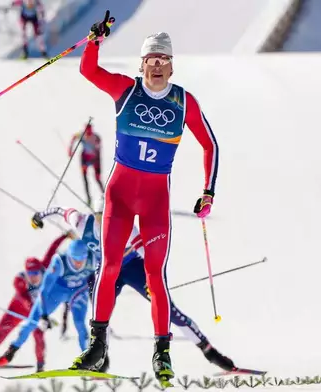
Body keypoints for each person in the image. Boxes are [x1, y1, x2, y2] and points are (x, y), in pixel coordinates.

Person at [73, 10, 219, 382]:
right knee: (109, 266)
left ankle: (162, 352)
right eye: (151, 60)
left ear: (172, 67)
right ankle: (97, 344)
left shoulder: (185, 102)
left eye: (163, 61)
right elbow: (88, 72)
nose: (156, 67)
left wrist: (208, 192)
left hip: (155, 202)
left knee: (156, 275)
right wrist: (95, 40)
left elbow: (210, 145)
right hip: (120, 197)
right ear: (142, 64)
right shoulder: (125, 89)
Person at [54, 201, 237, 373]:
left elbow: (148, 255)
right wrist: (40, 216)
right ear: (94, 215)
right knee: (100, 313)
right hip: (108, 270)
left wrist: (154, 281)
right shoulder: (81, 224)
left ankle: (209, 351)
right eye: (101, 215)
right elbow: (61, 211)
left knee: (168, 310)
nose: (106, 220)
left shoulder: (125, 226)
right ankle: (101, 357)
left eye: (110, 215)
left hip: (133, 268)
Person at [0, 233, 69, 377]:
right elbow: (26, 300)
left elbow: (52, 249)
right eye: (30, 273)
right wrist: (42, 315)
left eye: (35, 272)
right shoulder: (19, 280)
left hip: (32, 312)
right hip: (16, 312)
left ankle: (41, 367)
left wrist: (65, 236)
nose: (33, 276)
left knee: (39, 336)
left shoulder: (44, 268)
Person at [0, 239, 96, 369]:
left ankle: (88, 360)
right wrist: (44, 315)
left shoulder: (93, 257)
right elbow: (44, 290)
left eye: (81, 259)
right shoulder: (59, 262)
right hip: (56, 292)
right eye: (74, 259)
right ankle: (10, 353)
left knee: (80, 323)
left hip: (78, 292)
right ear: (69, 255)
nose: (78, 263)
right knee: (33, 321)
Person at [69, 120, 104, 205]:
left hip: (95, 159)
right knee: (85, 179)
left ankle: (104, 193)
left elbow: (98, 151)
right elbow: (74, 137)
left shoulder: (96, 137)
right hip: (84, 159)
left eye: (89, 131)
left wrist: (98, 167)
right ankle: (88, 198)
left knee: (97, 178)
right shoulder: (81, 135)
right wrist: (70, 150)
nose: (87, 133)